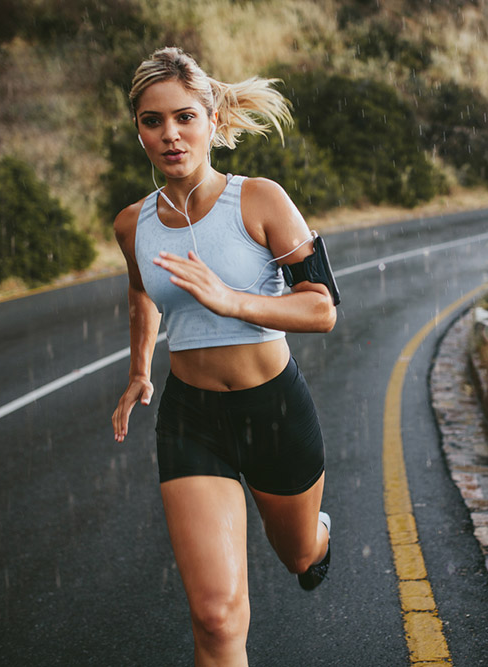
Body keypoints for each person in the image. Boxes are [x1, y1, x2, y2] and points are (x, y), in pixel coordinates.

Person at [110, 46, 335, 666]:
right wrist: (138, 369)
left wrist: (233, 301)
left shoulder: (260, 200)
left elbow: (322, 308)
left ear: (211, 119)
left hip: (274, 410)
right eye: (153, 121)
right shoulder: (133, 224)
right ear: (139, 130)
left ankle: (319, 539)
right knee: (215, 616)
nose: (170, 134)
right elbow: (140, 290)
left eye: (184, 117)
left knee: (297, 556)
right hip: (192, 421)